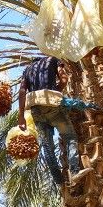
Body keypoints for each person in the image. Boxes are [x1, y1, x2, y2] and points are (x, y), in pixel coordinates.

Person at [18, 56, 90, 186]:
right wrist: (54, 91)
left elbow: (22, 91)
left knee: (47, 146)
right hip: (51, 105)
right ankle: (74, 172)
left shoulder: (27, 70)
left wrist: (21, 116)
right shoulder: (52, 60)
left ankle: (58, 180)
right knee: (70, 137)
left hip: (35, 110)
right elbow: (64, 79)